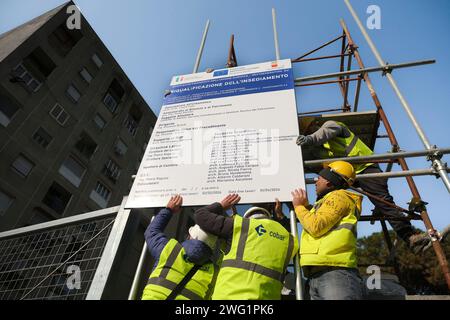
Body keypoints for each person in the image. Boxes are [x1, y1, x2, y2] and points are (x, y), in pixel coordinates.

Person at [296, 119, 429, 253]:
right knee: (326, 198)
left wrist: (309, 139)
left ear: (315, 125)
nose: (311, 132)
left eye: (310, 130)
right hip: (347, 175)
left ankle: (410, 236)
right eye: (308, 132)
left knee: (383, 203)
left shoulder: (331, 126)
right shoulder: (319, 149)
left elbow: (322, 134)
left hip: (366, 167)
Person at [195, 194, 298, 300]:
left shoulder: (239, 226)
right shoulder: (288, 239)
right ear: (273, 208)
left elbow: (200, 215)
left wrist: (221, 205)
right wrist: (280, 216)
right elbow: (282, 238)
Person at [292, 160, 364, 300]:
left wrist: (299, 207)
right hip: (320, 273)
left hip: (335, 272)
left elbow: (316, 226)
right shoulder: (327, 201)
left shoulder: (339, 197)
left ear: (330, 182)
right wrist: (306, 209)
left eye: (319, 178)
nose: (315, 181)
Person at [141, 195, 219, 300]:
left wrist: (168, 210)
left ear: (190, 236)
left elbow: (151, 232)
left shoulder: (170, 250)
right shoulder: (213, 272)